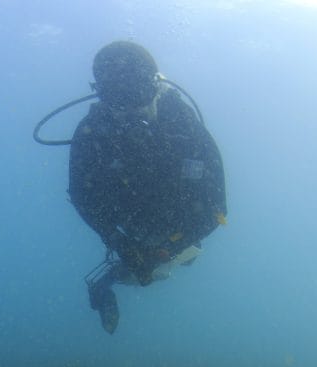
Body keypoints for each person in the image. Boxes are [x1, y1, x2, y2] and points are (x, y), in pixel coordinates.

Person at [61, 41, 227, 333]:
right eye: (116, 97)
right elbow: (80, 195)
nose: (128, 110)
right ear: (100, 92)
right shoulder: (92, 133)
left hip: (180, 221)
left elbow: (217, 209)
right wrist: (118, 241)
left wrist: (169, 248)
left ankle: (139, 265)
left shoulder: (183, 124)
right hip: (128, 222)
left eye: (135, 93)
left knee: (173, 261)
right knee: (140, 266)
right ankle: (111, 282)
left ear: (154, 86)